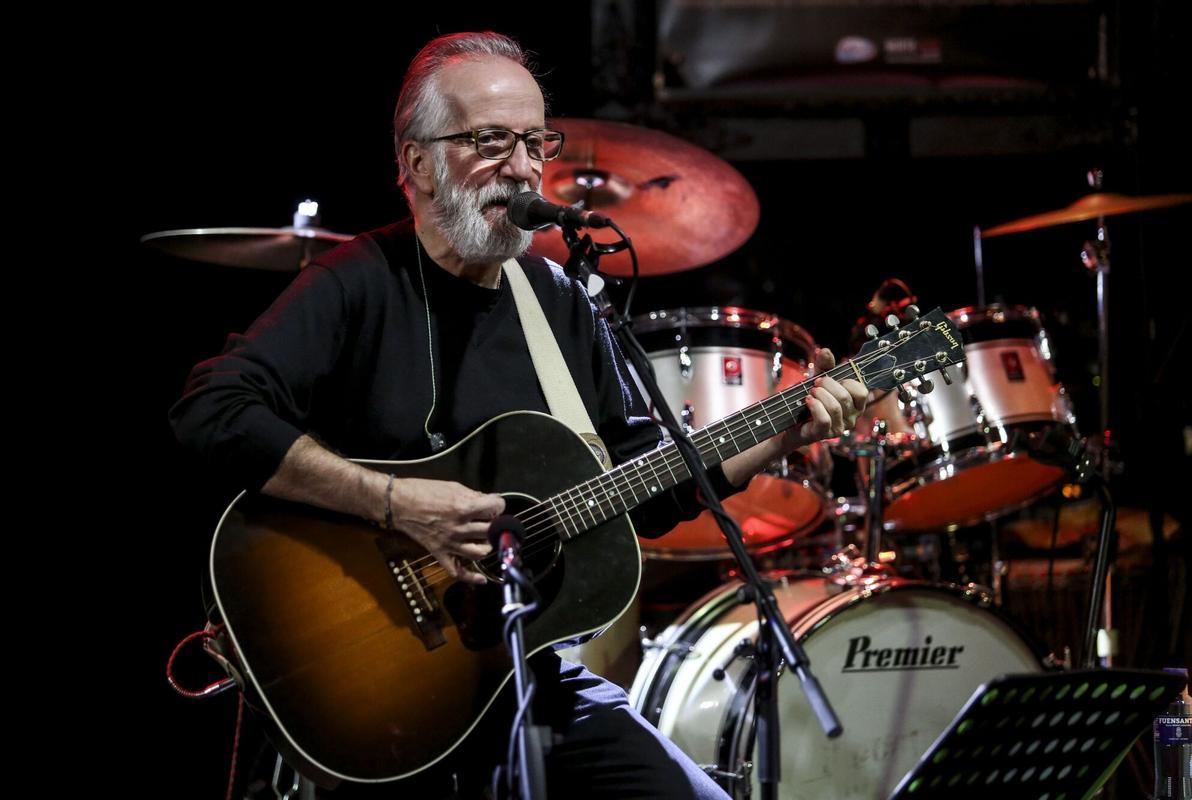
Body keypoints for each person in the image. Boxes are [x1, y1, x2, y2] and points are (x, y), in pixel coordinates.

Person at [170, 30, 868, 799]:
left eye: (535, 141)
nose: (525, 166)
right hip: (381, 695)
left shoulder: (559, 300)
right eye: (491, 140)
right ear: (417, 163)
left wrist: (785, 426)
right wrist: (396, 501)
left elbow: (656, 485)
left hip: (527, 684)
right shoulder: (357, 284)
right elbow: (214, 408)